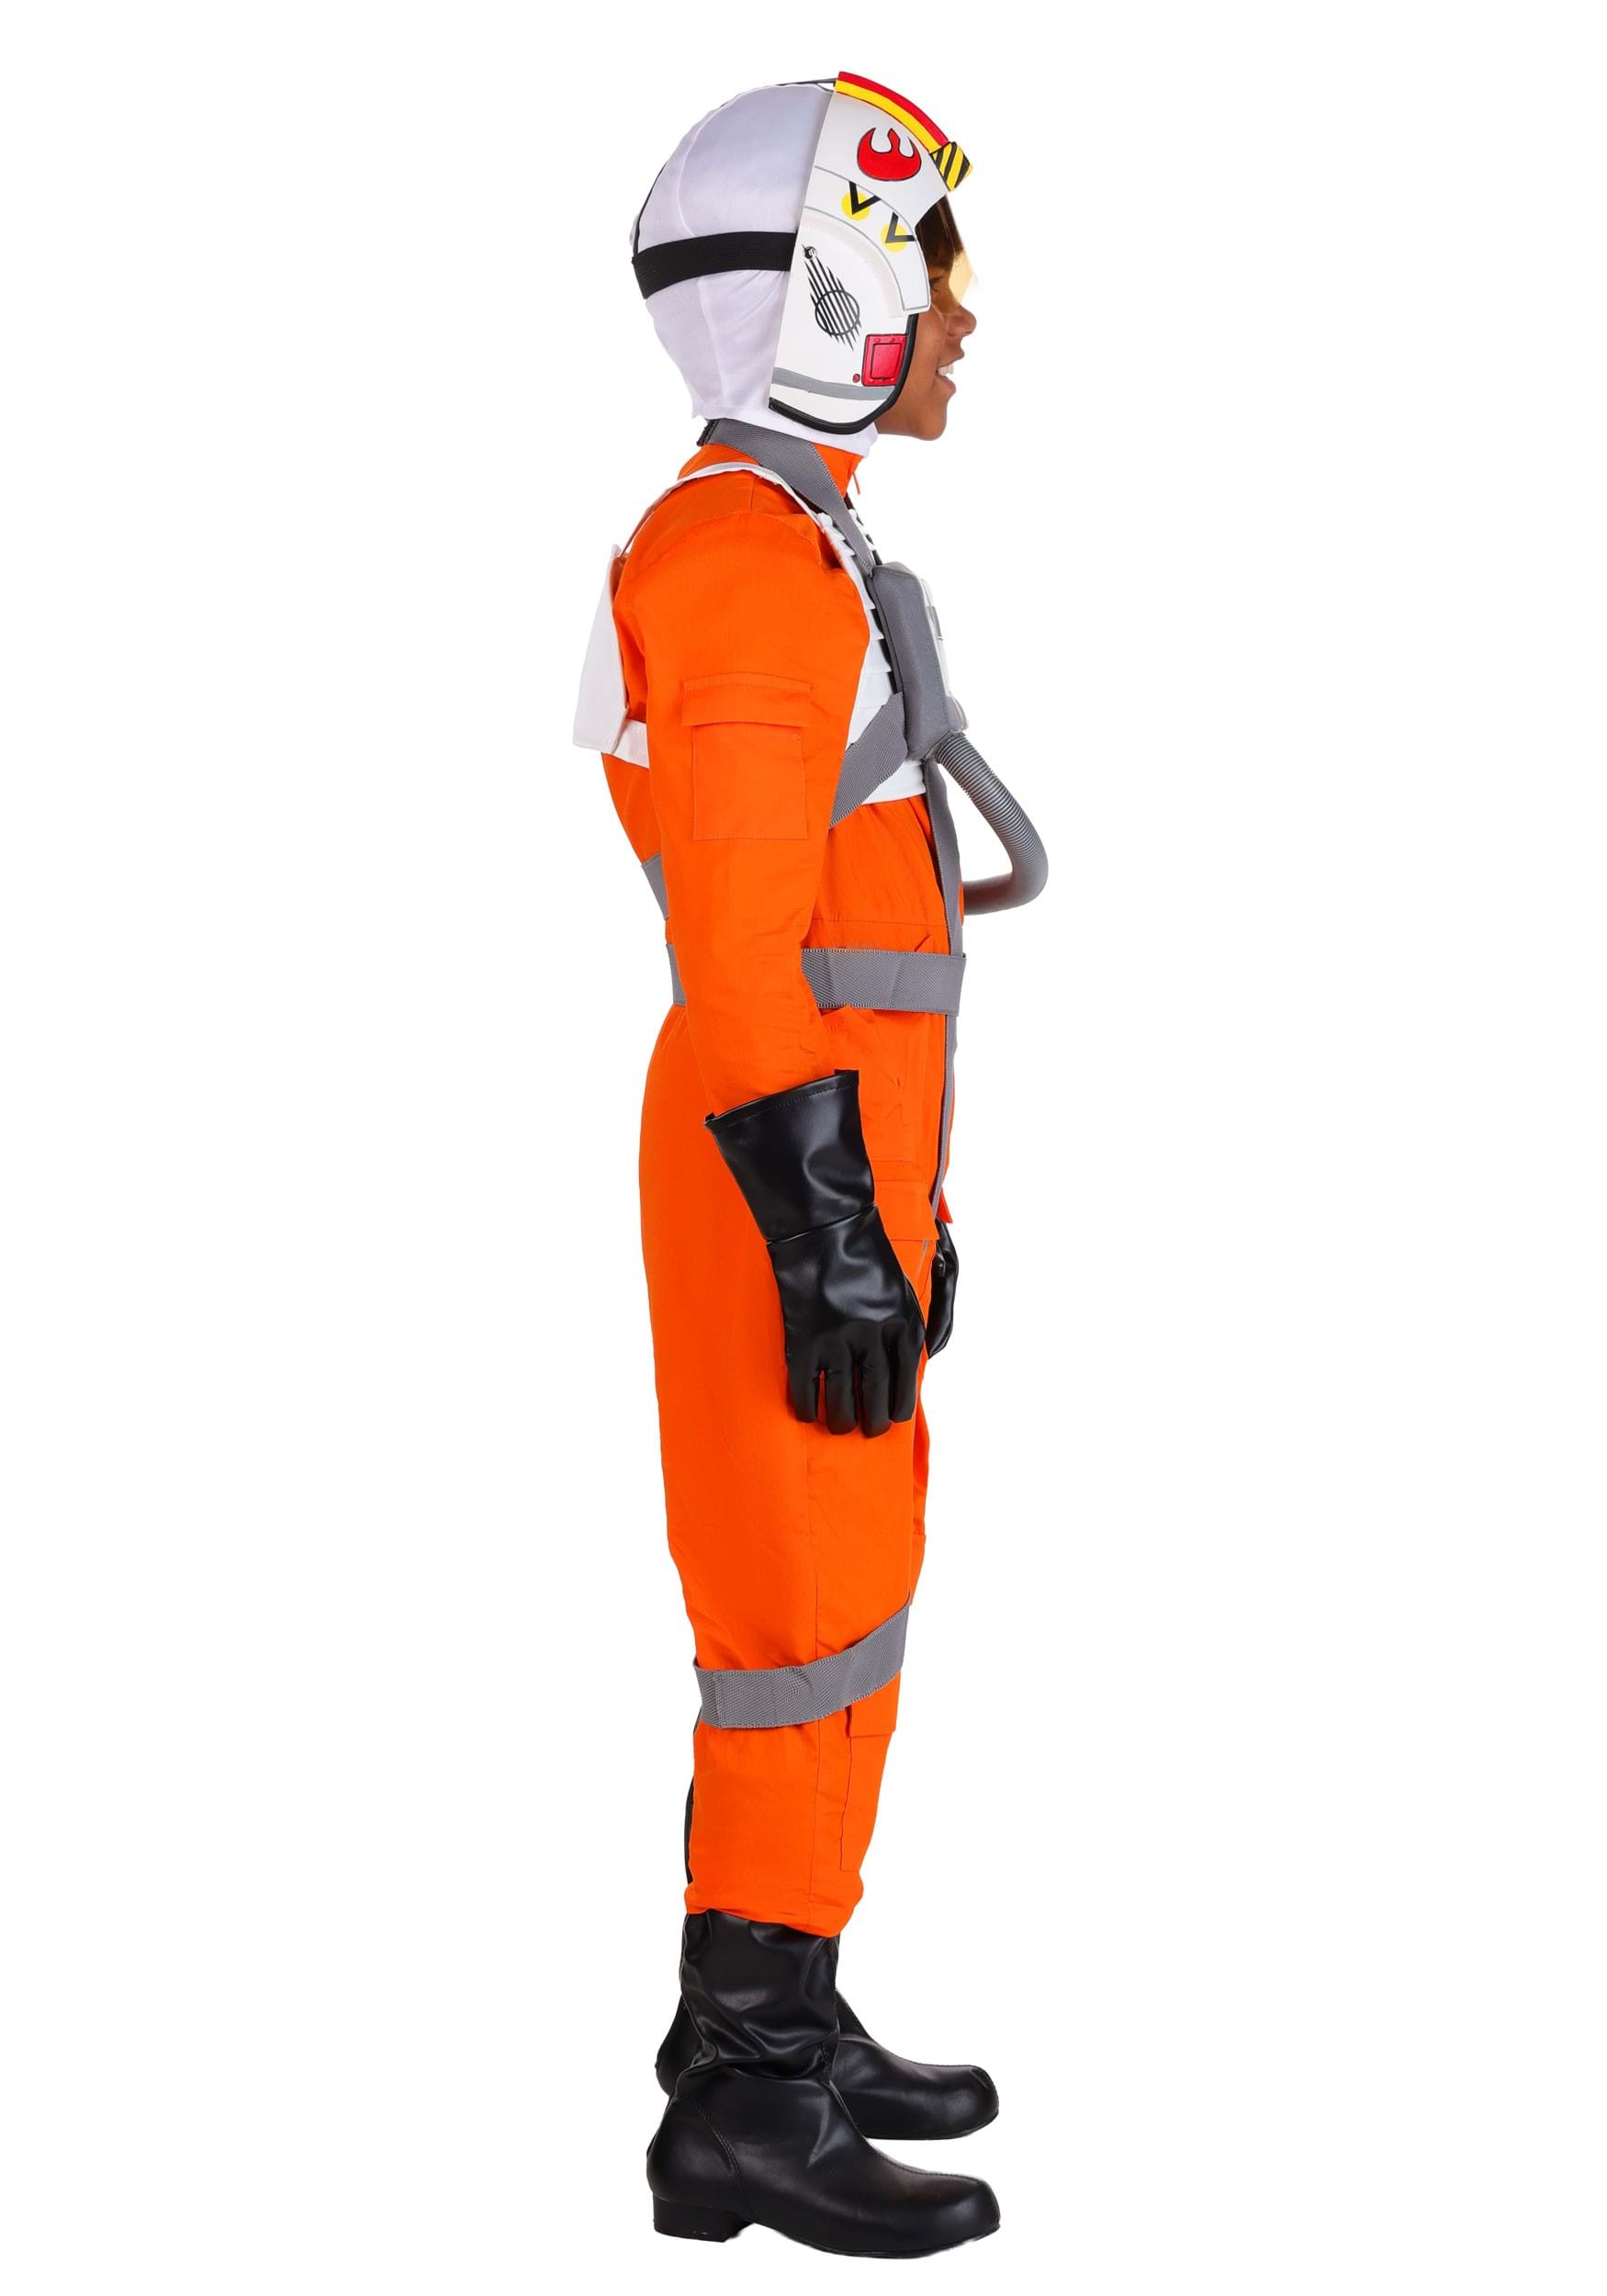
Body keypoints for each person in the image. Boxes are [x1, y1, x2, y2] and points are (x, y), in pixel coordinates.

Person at [572, 71, 1046, 2258]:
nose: (962, 311)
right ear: (827, 285)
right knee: (790, 1622)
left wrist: (893, 1206)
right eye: (929, 263)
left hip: (830, 1166)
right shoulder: (740, 560)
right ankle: (741, 2104)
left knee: (846, 1600)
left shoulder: (791, 540)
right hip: (780, 1172)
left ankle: (783, 2002)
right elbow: (745, 936)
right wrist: (824, 1218)